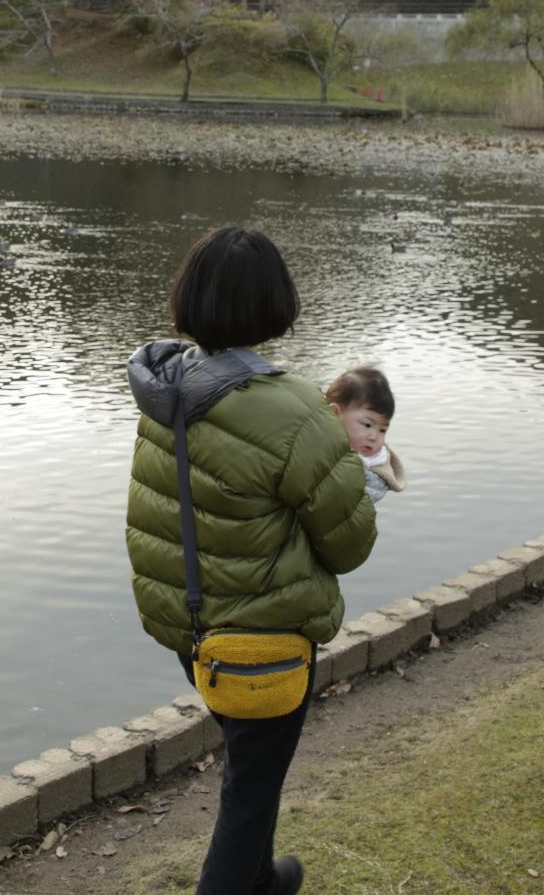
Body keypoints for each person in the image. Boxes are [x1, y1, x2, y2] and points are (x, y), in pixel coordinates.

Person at [127, 226, 376, 894]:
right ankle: (243, 878)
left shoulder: (166, 388)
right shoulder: (292, 408)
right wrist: (357, 472)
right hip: (261, 635)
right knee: (251, 789)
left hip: (191, 624)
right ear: (275, 303)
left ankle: (262, 879)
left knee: (251, 763)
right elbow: (348, 544)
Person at [324, 367, 406, 503]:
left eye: (382, 430)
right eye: (367, 425)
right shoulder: (311, 442)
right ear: (335, 414)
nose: (374, 437)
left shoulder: (371, 469)